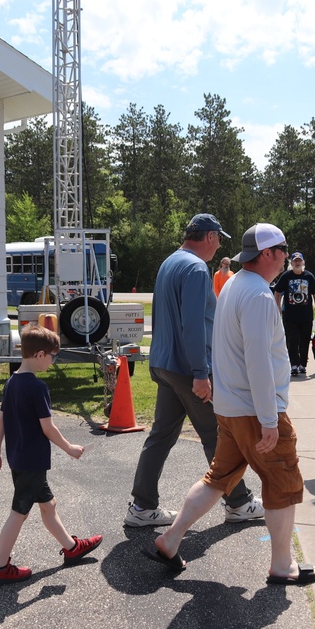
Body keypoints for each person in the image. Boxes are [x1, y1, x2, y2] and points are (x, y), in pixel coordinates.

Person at [146, 223, 315, 586]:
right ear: (268, 254)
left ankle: (170, 539)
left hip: (230, 407)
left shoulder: (233, 285)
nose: (284, 257)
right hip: (255, 409)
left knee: (218, 478)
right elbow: (259, 362)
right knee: (282, 483)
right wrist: (269, 420)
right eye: (282, 250)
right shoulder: (259, 295)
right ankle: (282, 566)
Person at [125, 214, 263, 528]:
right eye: (219, 239)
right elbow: (193, 325)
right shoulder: (197, 268)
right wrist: (202, 372)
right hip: (188, 369)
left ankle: (142, 507)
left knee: (160, 437)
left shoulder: (170, 262)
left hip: (165, 363)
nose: (219, 246)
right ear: (210, 236)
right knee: (218, 436)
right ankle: (239, 503)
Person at [0, 325, 103, 585]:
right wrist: (70, 448)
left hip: (18, 457)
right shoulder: (37, 388)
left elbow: (0, 423)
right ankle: (0, 567)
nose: (52, 360)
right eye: (52, 356)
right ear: (39, 354)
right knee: (19, 512)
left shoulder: (12, 382)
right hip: (33, 460)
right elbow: (48, 428)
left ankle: (72, 547)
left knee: (48, 504)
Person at [273, 251, 315, 377]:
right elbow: (277, 292)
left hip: (306, 315)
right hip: (290, 316)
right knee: (292, 340)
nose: (297, 263)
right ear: (291, 263)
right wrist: (277, 308)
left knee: (305, 340)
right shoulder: (286, 276)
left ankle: (302, 365)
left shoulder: (309, 276)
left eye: (300, 260)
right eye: (295, 261)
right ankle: (293, 365)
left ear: (303, 262)